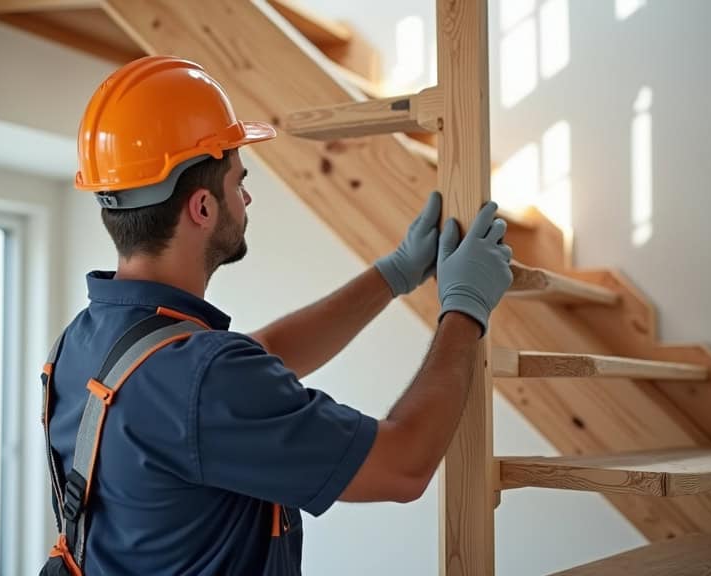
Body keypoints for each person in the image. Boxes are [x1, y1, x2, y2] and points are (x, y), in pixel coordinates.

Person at [42, 55, 513, 576]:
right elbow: (404, 467)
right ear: (202, 208)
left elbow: (257, 357)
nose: (245, 197)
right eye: (238, 181)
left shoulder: (86, 341)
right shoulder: (202, 378)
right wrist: (464, 310)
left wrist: (393, 275)